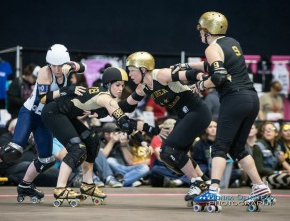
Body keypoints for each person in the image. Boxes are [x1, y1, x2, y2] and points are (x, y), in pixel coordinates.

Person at [0, 44, 86, 203]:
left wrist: (75, 65)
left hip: (45, 119)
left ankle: (25, 185)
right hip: (30, 113)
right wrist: (66, 90)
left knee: (46, 160)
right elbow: (42, 97)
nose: (57, 69)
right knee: (14, 149)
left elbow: (84, 67)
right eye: (53, 65)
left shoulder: (68, 70)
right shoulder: (44, 71)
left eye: (60, 66)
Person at [179, 11, 273, 204]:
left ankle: (213, 190)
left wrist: (198, 86)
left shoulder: (212, 48)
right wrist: (187, 65)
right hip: (251, 98)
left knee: (219, 146)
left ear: (207, 30)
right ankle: (259, 186)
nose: (199, 35)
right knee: (238, 147)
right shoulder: (233, 42)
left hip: (234, 98)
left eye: (201, 31)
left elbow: (219, 76)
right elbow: (215, 67)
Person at [41, 67, 157, 205]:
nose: (120, 89)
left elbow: (123, 123)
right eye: (117, 85)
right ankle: (60, 188)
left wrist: (143, 141)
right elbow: (125, 124)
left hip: (65, 114)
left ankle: (88, 184)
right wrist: (152, 130)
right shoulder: (106, 99)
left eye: (122, 85)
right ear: (108, 84)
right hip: (53, 113)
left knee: (92, 141)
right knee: (77, 148)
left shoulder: (105, 95)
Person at [124, 51, 211, 202]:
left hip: (197, 111)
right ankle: (206, 182)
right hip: (186, 115)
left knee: (170, 150)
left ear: (143, 69)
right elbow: (125, 105)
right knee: (168, 155)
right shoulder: (143, 87)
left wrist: (201, 79)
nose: (129, 74)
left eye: (132, 70)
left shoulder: (161, 75)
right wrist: (101, 106)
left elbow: (189, 74)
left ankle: (197, 183)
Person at [100, 122, 149, 187]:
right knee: (110, 160)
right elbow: (101, 157)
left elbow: (130, 162)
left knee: (145, 168)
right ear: (103, 134)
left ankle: (120, 181)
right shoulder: (101, 142)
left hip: (125, 167)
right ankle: (130, 179)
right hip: (111, 171)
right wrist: (111, 141)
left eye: (114, 133)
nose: (110, 135)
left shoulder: (122, 142)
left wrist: (123, 146)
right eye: (107, 133)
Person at [252, 122, 290, 189]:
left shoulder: (278, 147)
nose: (268, 131)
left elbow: (278, 166)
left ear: (276, 133)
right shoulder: (258, 146)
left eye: (271, 129)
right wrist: (277, 172)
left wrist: (282, 161)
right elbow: (260, 169)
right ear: (263, 133)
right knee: (287, 178)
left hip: (275, 174)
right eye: (266, 130)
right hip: (262, 177)